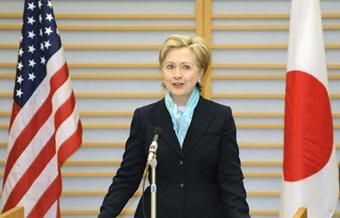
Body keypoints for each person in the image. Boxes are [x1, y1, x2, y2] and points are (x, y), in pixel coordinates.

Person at [98, 34, 250, 218]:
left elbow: (231, 180)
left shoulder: (220, 116)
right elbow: (127, 178)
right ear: (162, 71)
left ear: (201, 72)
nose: (177, 74)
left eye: (186, 67)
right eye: (170, 67)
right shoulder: (144, 117)